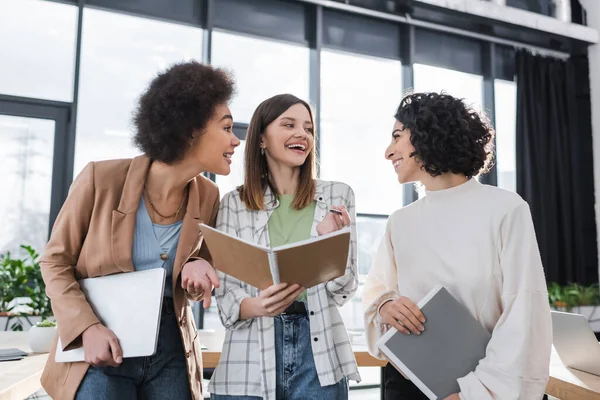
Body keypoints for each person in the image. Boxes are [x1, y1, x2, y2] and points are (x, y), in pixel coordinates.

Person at [39, 61, 239, 400]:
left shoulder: (209, 196)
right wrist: (87, 328)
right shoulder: (99, 179)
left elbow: (193, 284)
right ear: (190, 129)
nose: (236, 141)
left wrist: (196, 271)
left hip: (171, 349)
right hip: (103, 343)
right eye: (227, 127)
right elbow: (54, 263)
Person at [362, 92, 552, 400]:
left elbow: (525, 317)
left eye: (397, 136)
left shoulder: (505, 209)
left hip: (489, 390)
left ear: (425, 134)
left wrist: (473, 393)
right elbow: (376, 291)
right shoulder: (400, 222)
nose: (388, 151)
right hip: (410, 387)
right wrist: (386, 307)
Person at [208, 94, 361, 400]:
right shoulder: (234, 204)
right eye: (289, 124)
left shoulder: (337, 195)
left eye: (308, 128)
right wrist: (257, 306)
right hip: (249, 352)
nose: (302, 134)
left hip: (318, 351)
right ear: (261, 139)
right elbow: (225, 295)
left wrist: (328, 241)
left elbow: (344, 288)